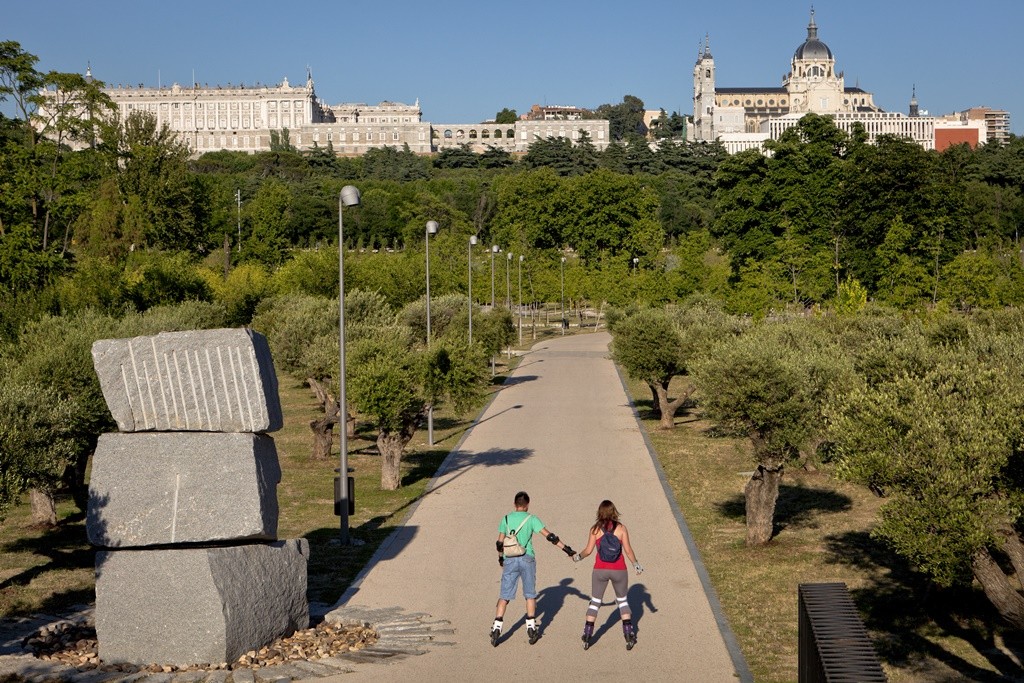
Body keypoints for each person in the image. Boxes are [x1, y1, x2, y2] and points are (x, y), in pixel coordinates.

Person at [491, 491, 575, 646]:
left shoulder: (506, 519)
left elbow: (499, 543)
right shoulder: (532, 519)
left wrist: (501, 558)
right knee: (530, 594)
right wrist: (567, 549)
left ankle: (497, 628)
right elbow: (550, 537)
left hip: (510, 559)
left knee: (504, 595)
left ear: (514, 504)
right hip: (527, 559)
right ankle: (531, 628)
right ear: (527, 504)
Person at [571, 500, 644, 650]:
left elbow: (588, 550)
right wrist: (636, 564)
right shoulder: (622, 529)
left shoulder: (595, 530)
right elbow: (628, 550)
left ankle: (587, 633)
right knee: (623, 601)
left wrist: (578, 557)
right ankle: (629, 634)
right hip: (619, 570)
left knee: (595, 602)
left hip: (600, 570)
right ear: (614, 511)